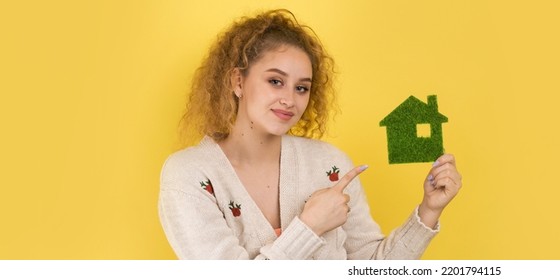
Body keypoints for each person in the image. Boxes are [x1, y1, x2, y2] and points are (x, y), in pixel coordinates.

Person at [158, 9, 462, 260]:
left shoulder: (330, 165)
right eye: (275, 81)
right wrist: (311, 226)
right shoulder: (189, 176)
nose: (290, 99)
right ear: (238, 81)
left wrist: (428, 211)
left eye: (301, 87)